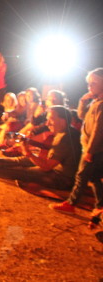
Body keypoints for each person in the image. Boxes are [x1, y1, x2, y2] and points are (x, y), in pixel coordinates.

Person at [0, 105, 81, 190]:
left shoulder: (66, 138)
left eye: (51, 119)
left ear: (63, 120)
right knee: (23, 161)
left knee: (23, 171)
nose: (47, 123)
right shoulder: (67, 132)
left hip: (62, 179)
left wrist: (28, 152)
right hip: (58, 171)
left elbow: (47, 166)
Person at [50, 68, 103, 217]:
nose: (90, 86)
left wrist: (90, 151)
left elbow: (99, 130)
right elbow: (81, 115)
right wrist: (83, 101)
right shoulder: (96, 102)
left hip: (94, 148)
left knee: (81, 176)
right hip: (91, 147)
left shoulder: (102, 105)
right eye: (88, 83)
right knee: (95, 177)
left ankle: (71, 204)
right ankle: (100, 206)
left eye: (94, 83)